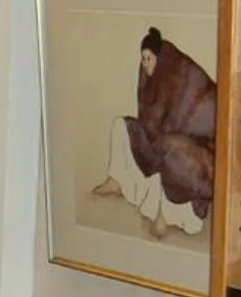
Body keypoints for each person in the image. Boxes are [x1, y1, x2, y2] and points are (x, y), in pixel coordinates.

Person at [92, 27, 217, 239]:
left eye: (149, 58)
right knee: (122, 125)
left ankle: (166, 215)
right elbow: (149, 122)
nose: (145, 64)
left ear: (161, 58)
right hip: (162, 142)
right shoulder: (151, 80)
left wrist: (168, 139)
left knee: (171, 150)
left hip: (198, 151)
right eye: (143, 59)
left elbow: (203, 117)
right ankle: (117, 181)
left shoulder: (183, 74)